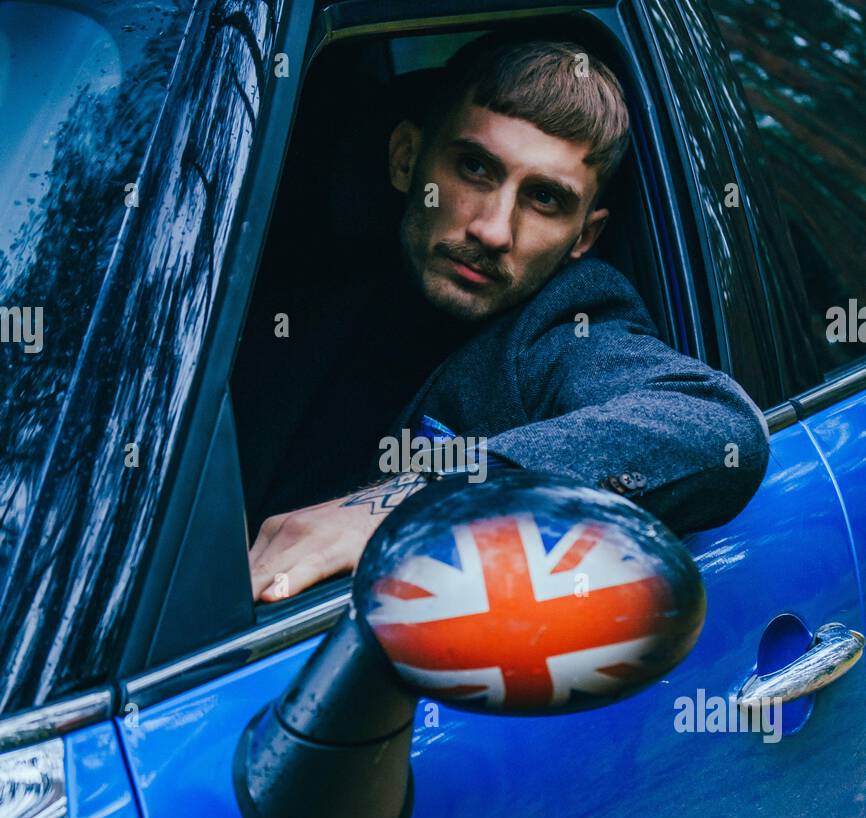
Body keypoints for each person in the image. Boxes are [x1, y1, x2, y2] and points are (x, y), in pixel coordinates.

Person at [246, 35, 770, 602]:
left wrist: (430, 500)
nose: (493, 231)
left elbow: (716, 424)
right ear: (405, 158)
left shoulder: (566, 327)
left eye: (545, 199)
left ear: (584, 236)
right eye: (475, 168)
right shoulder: (274, 280)